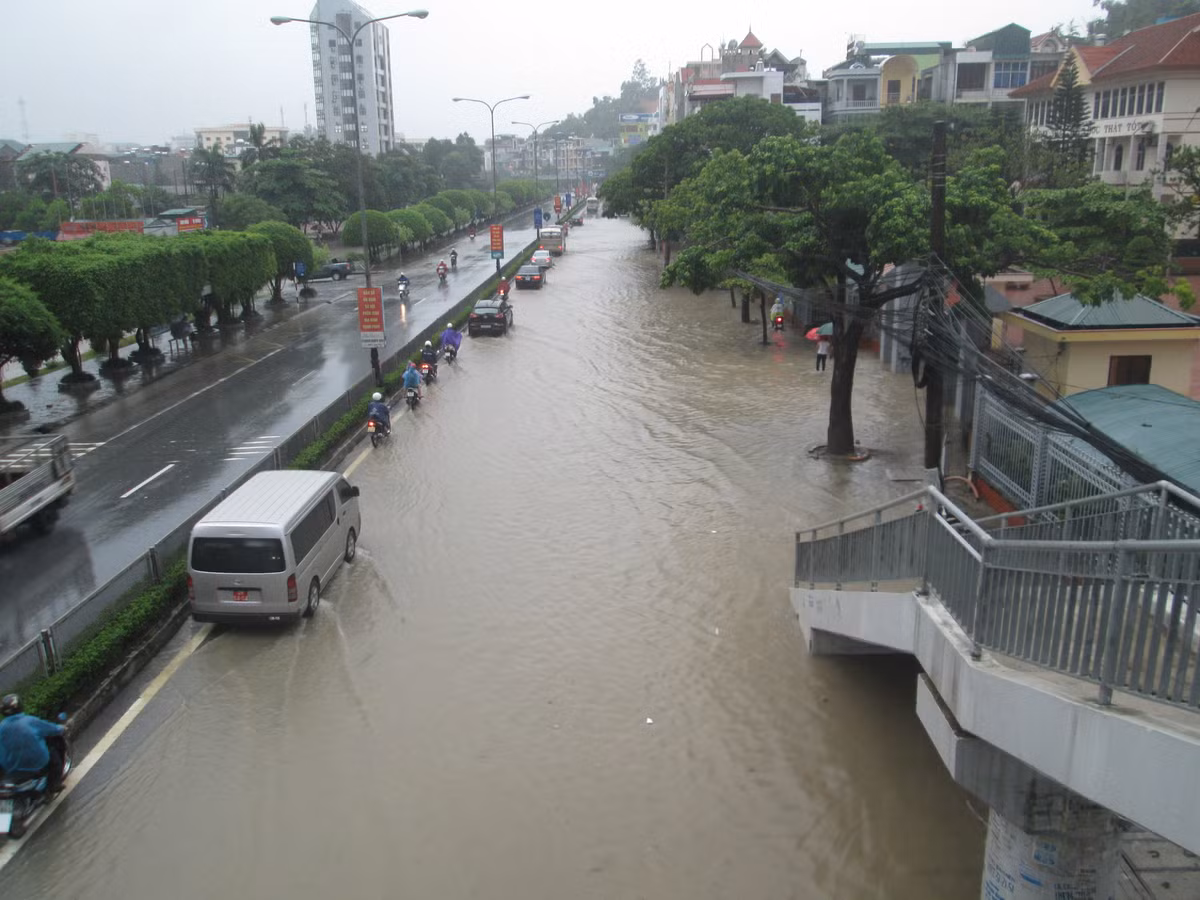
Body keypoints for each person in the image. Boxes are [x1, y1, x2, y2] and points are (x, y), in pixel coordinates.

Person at [0, 694, 65, 794]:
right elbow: (51, 729)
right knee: (55, 760)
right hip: (36, 763)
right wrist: (61, 728)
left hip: (11, 766)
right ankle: (54, 785)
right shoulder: (29, 721)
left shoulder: (2, 727)